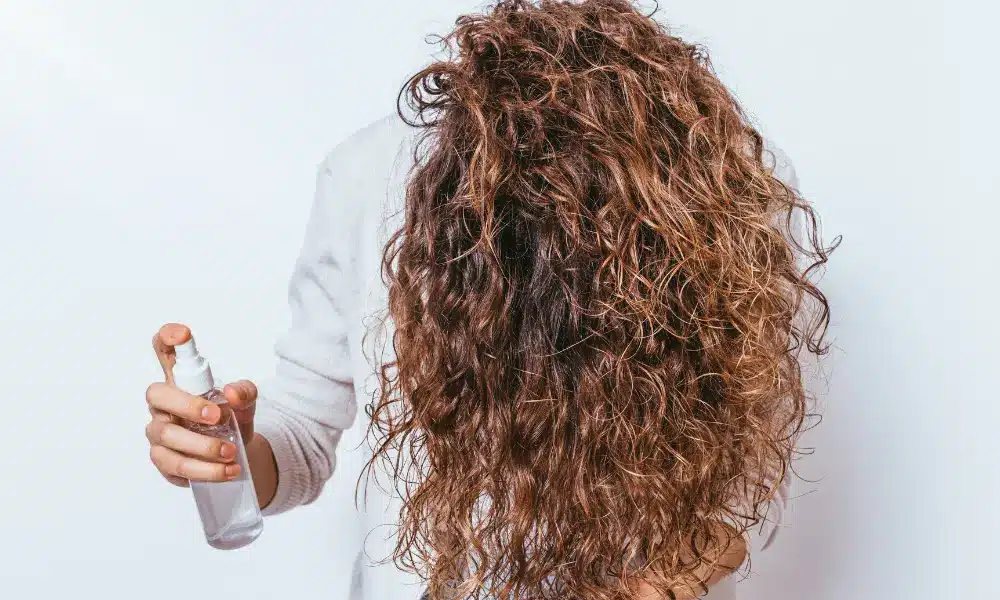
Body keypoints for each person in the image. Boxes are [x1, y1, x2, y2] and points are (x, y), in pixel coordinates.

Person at [143, 1, 832, 598]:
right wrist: (230, 452)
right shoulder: (369, 177)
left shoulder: (716, 181)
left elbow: (744, 475)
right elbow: (304, 430)